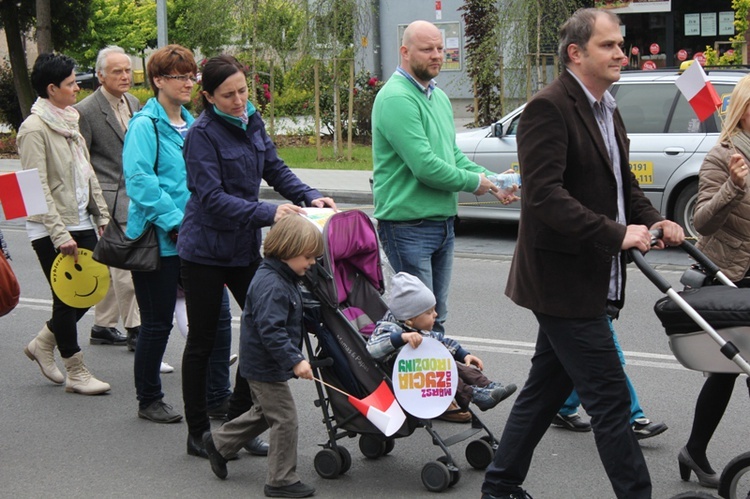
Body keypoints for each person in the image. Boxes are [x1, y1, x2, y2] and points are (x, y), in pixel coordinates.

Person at [480, 8, 684, 499]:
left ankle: (501, 485)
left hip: (589, 277)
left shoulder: (607, 106)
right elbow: (545, 196)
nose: (621, 52)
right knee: (611, 401)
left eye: (621, 44)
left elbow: (621, 185)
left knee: (546, 388)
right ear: (576, 53)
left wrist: (653, 218)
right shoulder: (548, 108)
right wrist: (617, 234)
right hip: (560, 282)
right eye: (609, 45)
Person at [178, 54, 336, 459]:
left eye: (243, 91)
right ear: (208, 96)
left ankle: (237, 424)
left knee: (265, 330)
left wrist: (307, 195)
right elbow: (211, 199)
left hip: (244, 248)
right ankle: (198, 433)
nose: (238, 101)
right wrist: (269, 212)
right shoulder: (201, 134)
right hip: (205, 252)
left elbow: (275, 168)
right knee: (202, 341)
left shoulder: (251, 120)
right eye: (228, 95)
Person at [372, 19, 514, 424]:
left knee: (437, 317)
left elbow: (451, 157)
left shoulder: (434, 96)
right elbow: (426, 168)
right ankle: (439, 398)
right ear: (405, 53)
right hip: (407, 225)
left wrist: (494, 181)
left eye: (441, 49)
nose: (437, 56)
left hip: (440, 222)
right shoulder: (398, 97)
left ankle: (440, 392)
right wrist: (480, 185)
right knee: (416, 319)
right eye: (426, 49)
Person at [202, 214, 320, 499]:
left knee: (266, 413)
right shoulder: (273, 285)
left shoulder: (283, 275)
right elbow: (271, 331)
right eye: (308, 257)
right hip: (264, 363)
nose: (312, 263)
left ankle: (219, 442)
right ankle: (280, 480)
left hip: (264, 362)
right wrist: (295, 359)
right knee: (285, 418)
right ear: (288, 251)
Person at [18, 52, 111, 395]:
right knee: (66, 296)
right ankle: (76, 370)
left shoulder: (69, 120)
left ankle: (44, 342)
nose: (77, 89)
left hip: (81, 218)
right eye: (71, 84)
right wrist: (59, 235)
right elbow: (34, 187)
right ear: (52, 88)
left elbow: (87, 175)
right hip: (50, 227)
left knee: (93, 288)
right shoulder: (33, 129)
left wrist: (101, 215)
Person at [680, 73, 750, 489]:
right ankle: (695, 448)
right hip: (729, 274)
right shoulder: (721, 156)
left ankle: (694, 448)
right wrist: (733, 187)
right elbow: (701, 219)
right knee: (727, 371)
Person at [122, 44, 198, 426]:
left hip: (195, 238)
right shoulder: (145, 124)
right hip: (159, 240)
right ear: (157, 81)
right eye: (179, 76)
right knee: (157, 322)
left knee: (206, 319)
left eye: (191, 75)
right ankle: (148, 398)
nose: (188, 82)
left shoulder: (193, 122)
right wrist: (176, 222)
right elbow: (140, 182)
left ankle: (212, 395)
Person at [367, 272, 516, 411]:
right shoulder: (388, 328)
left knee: (456, 366)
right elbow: (373, 348)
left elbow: (441, 342)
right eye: (429, 312)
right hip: (409, 379)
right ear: (410, 319)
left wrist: (463, 355)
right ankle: (474, 394)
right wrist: (400, 338)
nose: (435, 315)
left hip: (426, 371)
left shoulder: (420, 329)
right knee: (444, 375)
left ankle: (487, 386)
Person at [75, 45, 141, 349]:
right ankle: (136, 328)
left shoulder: (134, 102)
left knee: (116, 263)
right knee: (127, 266)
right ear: (101, 76)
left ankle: (102, 326)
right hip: (110, 200)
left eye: (127, 70)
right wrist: (94, 205)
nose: (125, 76)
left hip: (138, 195)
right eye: (117, 71)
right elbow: (82, 162)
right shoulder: (86, 110)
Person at [553, 316, 668, 440]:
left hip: (579, 307)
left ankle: (563, 406)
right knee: (609, 365)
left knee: (573, 358)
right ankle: (632, 419)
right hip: (587, 308)